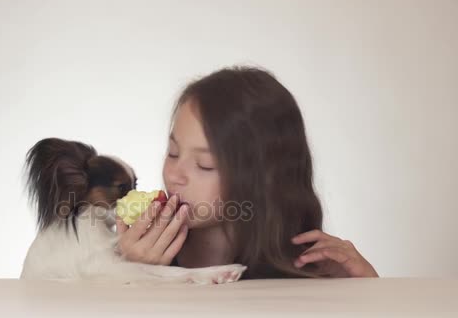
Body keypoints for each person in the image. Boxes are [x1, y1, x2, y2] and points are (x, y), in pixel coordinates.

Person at [115, 66, 378, 279]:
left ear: (262, 179)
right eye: (173, 152)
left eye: (205, 164)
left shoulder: (313, 273)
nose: (174, 175)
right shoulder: (123, 255)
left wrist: (367, 290)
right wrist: (134, 275)